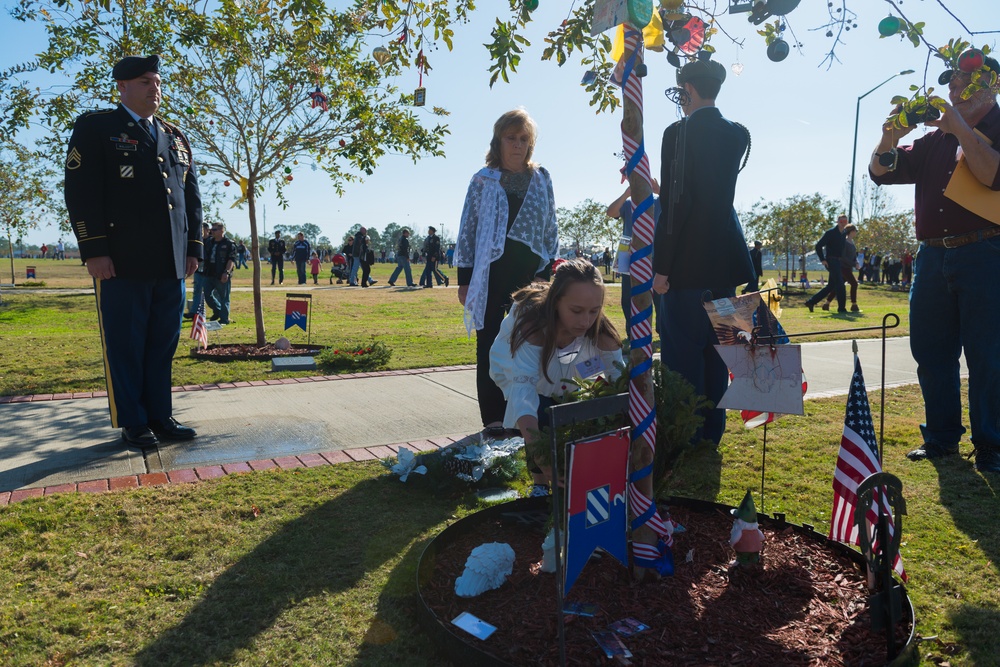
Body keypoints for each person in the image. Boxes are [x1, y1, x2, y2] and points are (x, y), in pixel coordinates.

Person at [869, 55, 1000, 473]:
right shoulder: (933, 142)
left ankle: (992, 445)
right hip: (932, 255)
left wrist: (958, 127)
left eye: (965, 80)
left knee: (988, 355)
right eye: (952, 81)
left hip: (986, 253)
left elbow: (990, 174)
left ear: (991, 86)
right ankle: (942, 439)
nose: (954, 88)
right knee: (932, 352)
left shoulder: (984, 129)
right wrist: (888, 137)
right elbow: (881, 172)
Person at [64, 54, 201, 448]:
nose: (154, 88)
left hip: (171, 262)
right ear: (122, 87)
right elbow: (81, 192)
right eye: (144, 81)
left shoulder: (174, 135)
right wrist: (93, 250)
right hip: (121, 262)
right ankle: (134, 421)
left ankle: (160, 415)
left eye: (156, 81)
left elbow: (191, 199)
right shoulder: (97, 128)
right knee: (126, 345)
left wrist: (193, 249)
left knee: (162, 345)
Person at [652, 58, 755, 448]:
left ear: (689, 90)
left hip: (685, 271)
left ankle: (685, 435)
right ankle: (711, 435)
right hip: (724, 269)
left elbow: (676, 204)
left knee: (681, 359)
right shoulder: (736, 134)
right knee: (718, 358)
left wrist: (662, 267)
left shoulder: (677, 133)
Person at [455, 108, 560, 434]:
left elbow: (550, 227)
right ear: (498, 141)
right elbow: (468, 230)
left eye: (523, 139)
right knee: (488, 345)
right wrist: (465, 280)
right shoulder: (482, 180)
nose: (517, 144)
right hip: (489, 275)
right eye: (510, 138)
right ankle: (494, 418)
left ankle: (526, 414)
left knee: (529, 344)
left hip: (531, 276)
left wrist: (546, 272)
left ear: (531, 144)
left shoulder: (542, 178)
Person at [489, 259, 623, 496]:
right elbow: (524, 395)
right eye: (576, 310)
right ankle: (540, 482)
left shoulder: (602, 335)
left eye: (594, 311)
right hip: (526, 367)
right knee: (538, 411)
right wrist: (540, 453)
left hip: (575, 367)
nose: (585, 321)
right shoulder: (532, 330)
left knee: (574, 404)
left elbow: (620, 384)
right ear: (556, 302)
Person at [606, 179, 662, 332]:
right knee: (628, 299)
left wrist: (659, 190)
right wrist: (626, 194)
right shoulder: (628, 204)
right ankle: (633, 332)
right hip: (630, 260)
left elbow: (676, 207)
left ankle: (662, 331)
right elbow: (611, 212)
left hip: (655, 260)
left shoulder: (658, 202)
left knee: (659, 298)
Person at [804, 214, 849, 313]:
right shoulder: (830, 233)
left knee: (831, 286)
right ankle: (842, 308)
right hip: (831, 261)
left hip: (838, 261)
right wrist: (822, 259)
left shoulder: (844, 233)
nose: (843, 223)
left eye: (845, 221)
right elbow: (818, 246)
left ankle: (811, 302)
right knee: (840, 284)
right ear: (837, 222)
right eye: (841, 221)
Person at [203, 222, 237, 324]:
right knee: (207, 296)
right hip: (209, 273)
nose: (211, 231)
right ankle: (217, 311)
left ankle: (224, 319)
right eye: (211, 229)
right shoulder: (209, 242)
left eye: (214, 229)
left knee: (224, 297)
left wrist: (226, 272)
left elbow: (231, 260)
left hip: (221, 274)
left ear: (222, 230)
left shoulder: (229, 244)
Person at [823, 224, 861, 312]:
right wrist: (853, 264)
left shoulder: (852, 242)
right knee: (854, 284)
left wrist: (856, 262)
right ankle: (854, 304)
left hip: (848, 267)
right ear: (851, 231)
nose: (856, 233)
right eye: (855, 231)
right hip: (843, 267)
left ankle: (827, 304)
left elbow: (854, 256)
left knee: (838, 287)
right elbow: (843, 257)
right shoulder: (844, 242)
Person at [183, 222, 211, 319]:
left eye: (202, 229)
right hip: (199, 270)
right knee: (197, 291)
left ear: (207, 230)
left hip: (209, 271)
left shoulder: (211, 241)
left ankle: (219, 311)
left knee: (210, 293)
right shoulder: (198, 242)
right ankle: (194, 312)